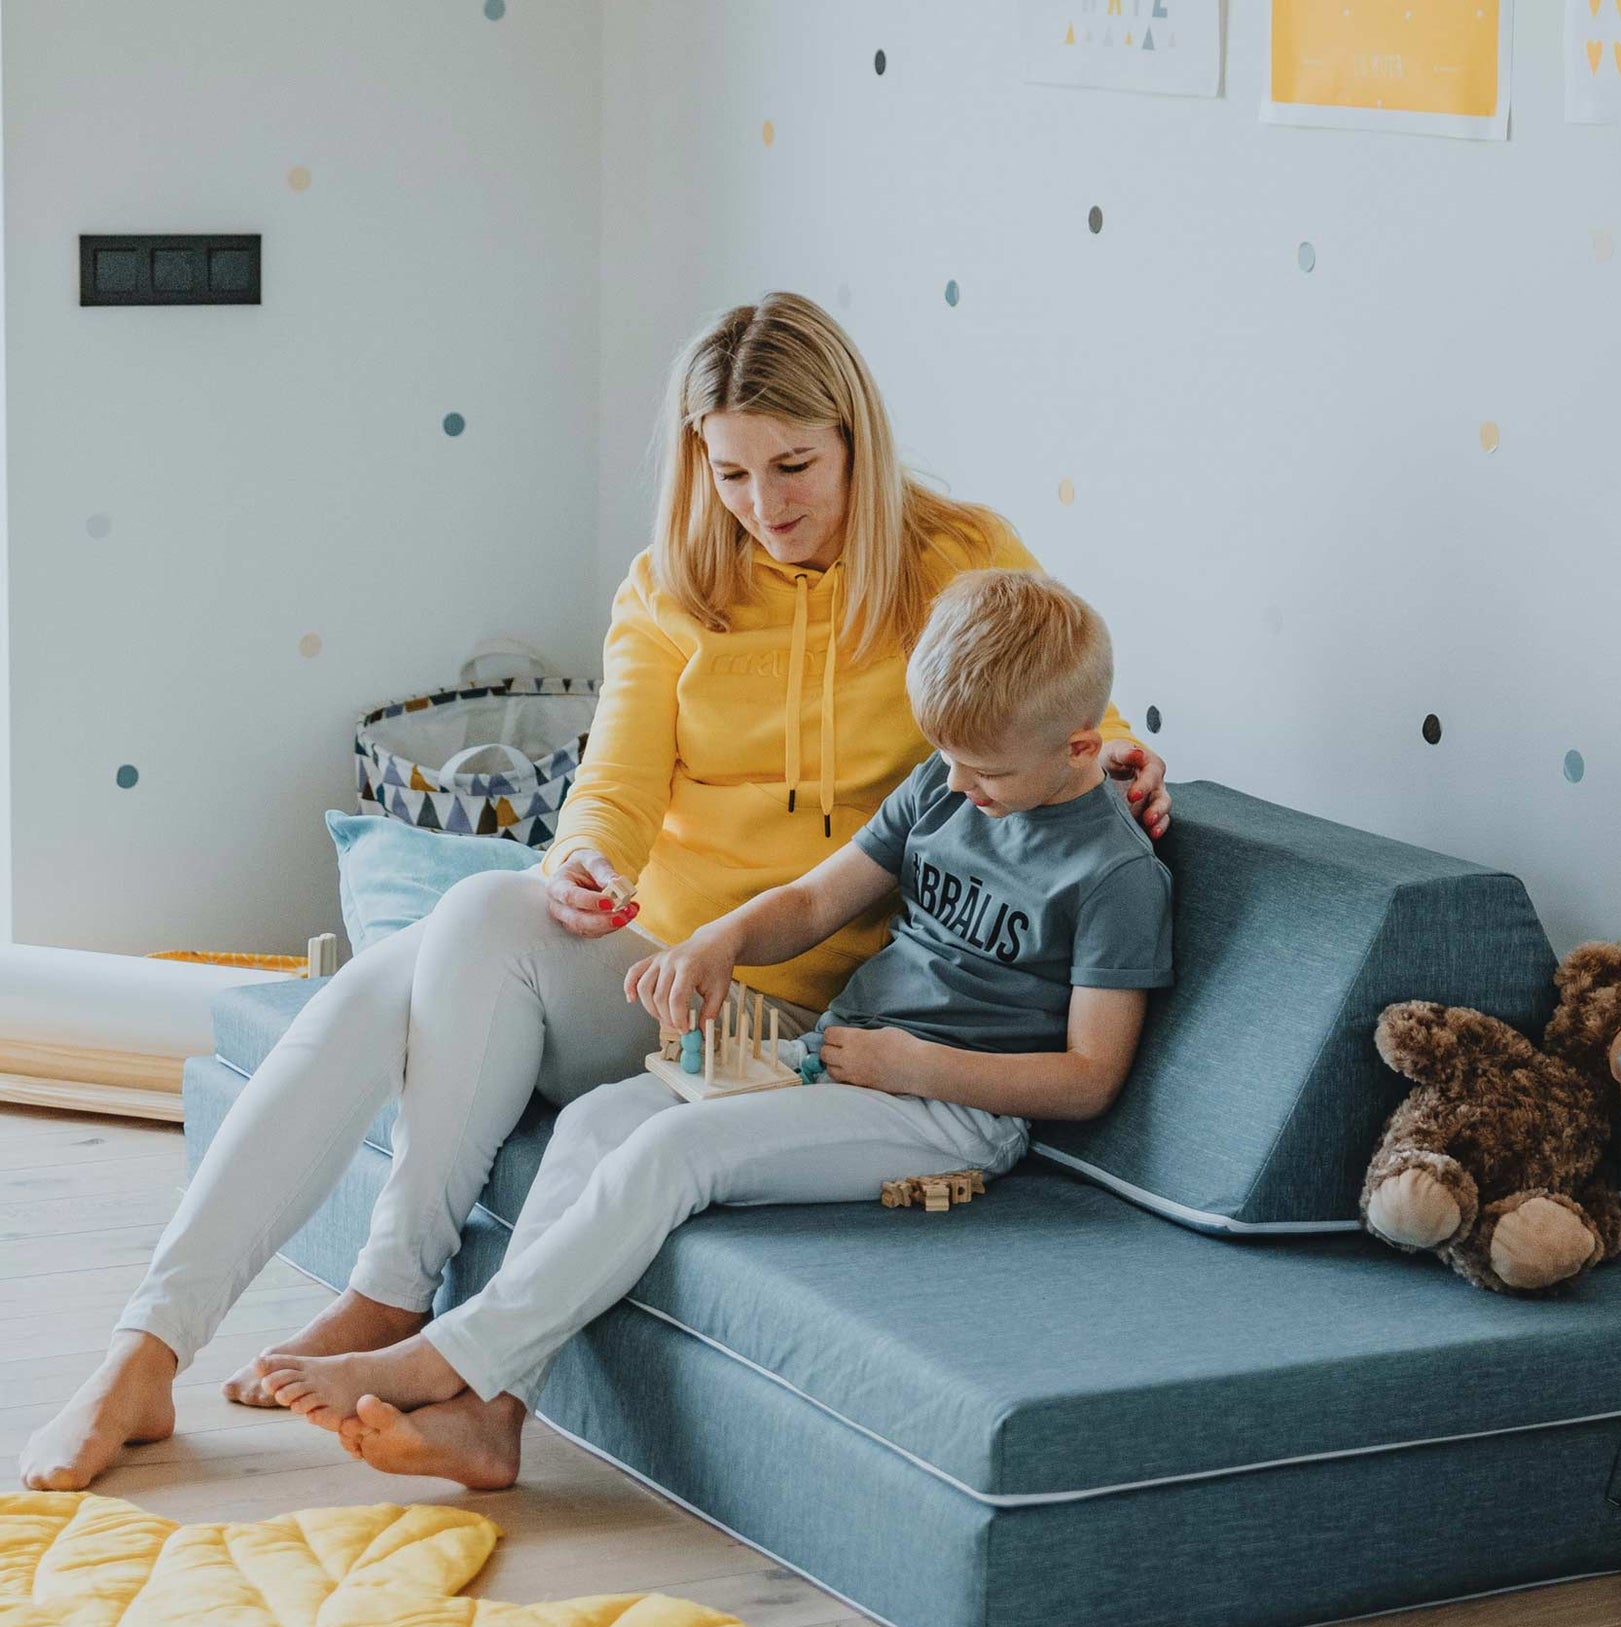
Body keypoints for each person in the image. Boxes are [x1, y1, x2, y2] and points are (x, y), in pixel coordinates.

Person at [20, 291, 1167, 1493]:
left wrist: (1133, 759)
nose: (763, 507)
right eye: (727, 473)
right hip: (663, 978)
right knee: (463, 925)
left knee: (386, 982)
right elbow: (611, 787)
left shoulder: (959, 555)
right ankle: (146, 1348)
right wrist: (584, 863)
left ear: (854, 444)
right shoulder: (672, 586)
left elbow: (1055, 708)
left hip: (804, 1023)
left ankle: (381, 1301)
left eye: (793, 466)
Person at [257, 569, 1174, 1486]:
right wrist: (720, 943)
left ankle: (442, 1360)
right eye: (951, 760)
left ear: (1082, 744)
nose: (964, 787)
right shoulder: (944, 783)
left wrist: (911, 1064)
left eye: (991, 773)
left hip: (956, 1114)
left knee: (675, 1152)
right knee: (599, 1121)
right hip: (841, 1057)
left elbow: (1089, 1077)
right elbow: (820, 897)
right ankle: (494, 1412)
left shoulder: (1111, 873)